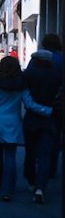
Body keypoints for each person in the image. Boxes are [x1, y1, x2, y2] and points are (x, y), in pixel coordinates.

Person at [0, 56, 52, 202]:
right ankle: (7, 188)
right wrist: (48, 110)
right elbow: (30, 104)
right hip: (13, 123)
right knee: (10, 156)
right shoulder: (21, 86)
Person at [22, 50, 61, 203]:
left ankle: (31, 180)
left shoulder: (28, 76)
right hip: (50, 120)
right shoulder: (57, 75)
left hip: (32, 119)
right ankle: (40, 187)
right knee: (45, 154)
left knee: (30, 152)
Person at [36, 33, 63, 179]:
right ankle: (51, 167)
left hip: (40, 104)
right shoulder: (61, 58)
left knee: (41, 136)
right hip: (58, 103)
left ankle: (42, 165)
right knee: (56, 134)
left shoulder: (38, 60)